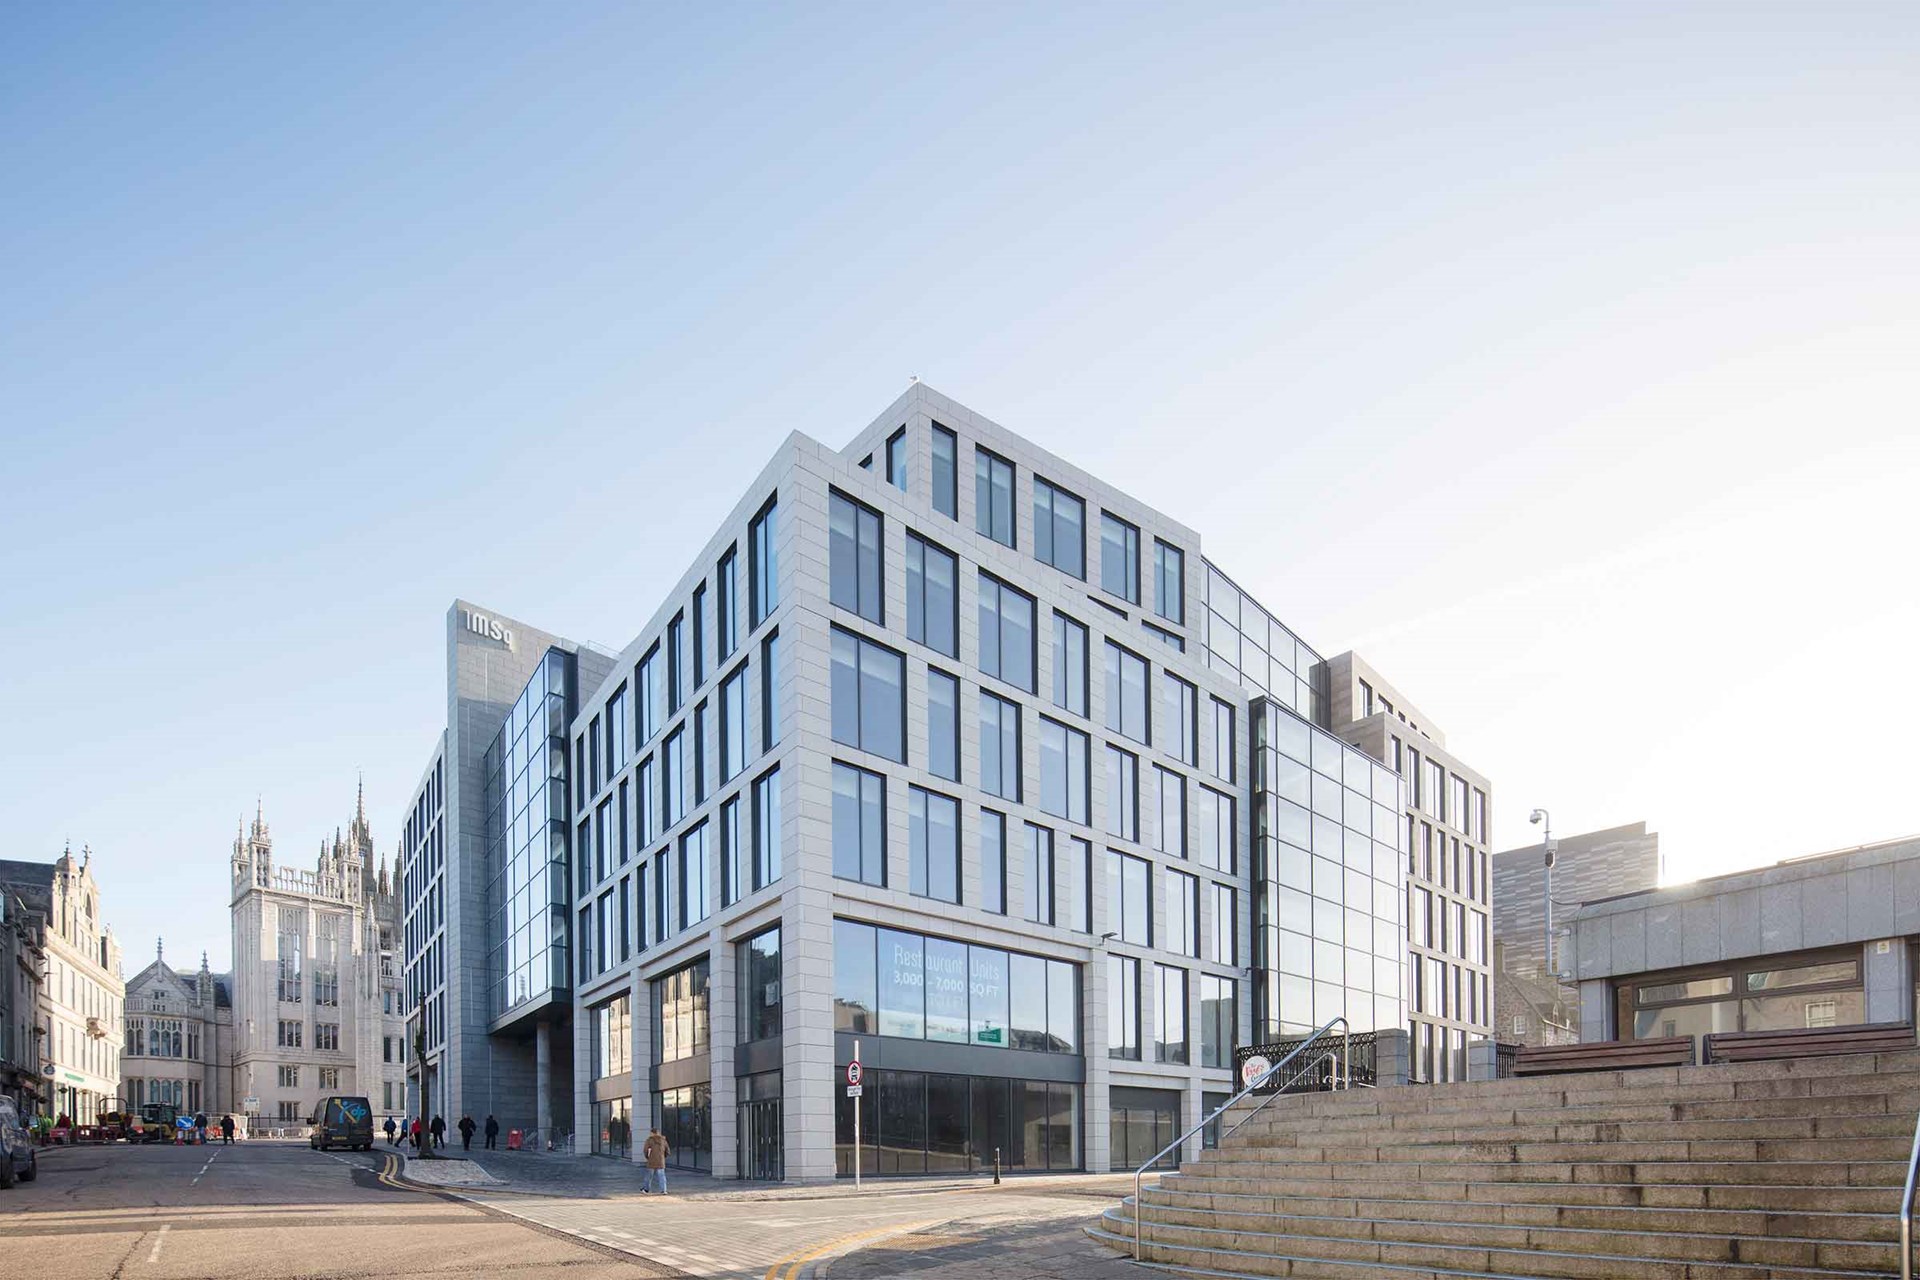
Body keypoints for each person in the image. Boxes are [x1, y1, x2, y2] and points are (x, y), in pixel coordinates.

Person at [641, 1126, 670, 1195]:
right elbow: (667, 1151)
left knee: (649, 1176)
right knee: (662, 1176)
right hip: (661, 1161)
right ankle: (663, 1190)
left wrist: (648, 1157)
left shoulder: (649, 1140)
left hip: (651, 1160)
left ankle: (646, 1189)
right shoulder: (663, 1140)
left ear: (652, 1133)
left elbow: (645, 1150)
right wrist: (663, 1157)